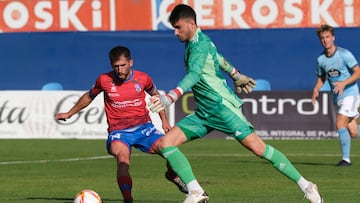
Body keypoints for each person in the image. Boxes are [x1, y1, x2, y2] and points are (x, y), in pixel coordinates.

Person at [148, 4, 323, 203]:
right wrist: (235, 74)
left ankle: (307, 186)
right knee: (166, 143)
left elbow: (195, 74)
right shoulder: (199, 42)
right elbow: (218, 58)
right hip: (205, 112)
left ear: (191, 24)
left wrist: (171, 96)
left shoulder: (199, 45)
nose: (175, 32)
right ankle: (196, 191)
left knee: (259, 149)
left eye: (178, 27)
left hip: (222, 108)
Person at [54, 46, 187, 203]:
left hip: (145, 129)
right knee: (123, 159)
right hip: (119, 132)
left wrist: (164, 121)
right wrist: (69, 113)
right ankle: (128, 199)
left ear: (131, 62)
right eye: (115, 66)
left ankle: (172, 175)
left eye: (123, 65)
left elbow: (156, 97)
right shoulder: (104, 80)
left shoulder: (144, 78)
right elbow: (89, 96)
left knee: (170, 149)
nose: (119, 70)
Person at [311, 24, 360, 167]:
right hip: (337, 97)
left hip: (351, 94)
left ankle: (346, 160)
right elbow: (321, 77)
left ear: (333, 38)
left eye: (327, 37)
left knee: (339, 122)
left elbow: (358, 72)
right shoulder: (321, 59)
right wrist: (315, 89)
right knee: (353, 132)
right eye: (322, 38)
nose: (325, 40)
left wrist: (343, 83)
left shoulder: (344, 54)